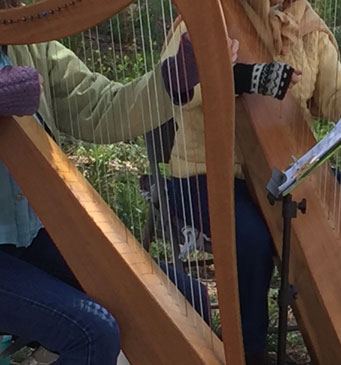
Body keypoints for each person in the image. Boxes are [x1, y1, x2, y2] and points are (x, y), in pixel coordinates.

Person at [159, 2, 341, 363]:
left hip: (290, 171)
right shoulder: (209, 13)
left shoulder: (307, 26)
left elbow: (330, 102)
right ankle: (249, 351)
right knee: (253, 238)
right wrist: (244, 76)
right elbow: (178, 88)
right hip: (204, 172)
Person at [0, 1, 209, 362]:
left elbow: (98, 106)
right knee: (92, 332)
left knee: (185, 296)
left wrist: (170, 80)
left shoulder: (23, 35)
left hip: (28, 236)